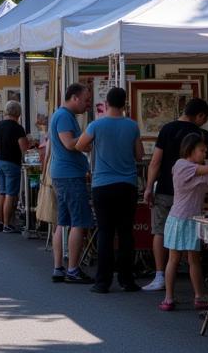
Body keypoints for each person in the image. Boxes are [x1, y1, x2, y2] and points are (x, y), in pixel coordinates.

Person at [75, 86, 144, 293]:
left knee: (105, 232)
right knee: (125, 233)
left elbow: (79, 145)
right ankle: (127, 279)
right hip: (127, 184)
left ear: (106, 104)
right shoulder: (132, 126)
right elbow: (139, 155)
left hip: (102, 184)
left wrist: (93, 148)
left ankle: (102, 281)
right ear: (125, 104)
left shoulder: (96, 125)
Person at [142, 98, 208, 292]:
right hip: (194, 197)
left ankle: (159, 275)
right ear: (200, 116)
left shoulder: (167, 129)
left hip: (166, 189)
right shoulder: (204, 136)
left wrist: (149, 187)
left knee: (159, 231)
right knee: (192, 250)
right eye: (205, 118)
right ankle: (198, 291)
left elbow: (155, 162)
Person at [160, 134, 208, 312]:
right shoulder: (181, 165)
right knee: (174, 259)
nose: (204, 154)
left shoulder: (200, 170)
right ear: (190, 149)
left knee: (194, 259)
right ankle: (168, 297)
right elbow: (207, 173)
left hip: (192, 219)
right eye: (202, 150)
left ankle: (198, 296)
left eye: (205, 151)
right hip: (179, 218)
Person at [47, 82, 94, 283]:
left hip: (63, 173)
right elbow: (68, 143)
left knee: (63, 222)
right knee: (79, 222)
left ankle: (59, 267)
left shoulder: (62, 115)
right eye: (86, 100)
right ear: (74, 98)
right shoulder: (65, 116)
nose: (88, 104)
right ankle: (73, 269)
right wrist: (87, 139)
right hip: (69, 175)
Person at [0, 100, 29, 233]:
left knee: (1, 192)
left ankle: (0, 221)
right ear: (18, 113)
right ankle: (8, 224)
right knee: (10, 193)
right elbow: (24, 148)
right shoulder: (17, 128)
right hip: (12, 162)